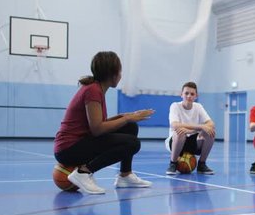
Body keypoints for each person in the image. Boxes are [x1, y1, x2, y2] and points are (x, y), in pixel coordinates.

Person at [54, 51, 154, 194]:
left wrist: (124, 117)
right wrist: (126, 118)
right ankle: (83, 172)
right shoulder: (93, 90)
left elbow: (98, 123)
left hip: (79, 142)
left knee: (129, 126)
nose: (121, 75)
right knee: (132, 143)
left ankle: (125, 176)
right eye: (120, 72)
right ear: (112, 74)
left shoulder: (95, 88)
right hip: (69, 149)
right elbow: (97, 129)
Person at [165, 81, 216, 175]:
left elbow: (211, 124)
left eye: (192, 94)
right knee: (179, 132)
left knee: (210, 132)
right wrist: (200, 126)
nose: (189, 96)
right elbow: (174, 125)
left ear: (196, 96)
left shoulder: (198, 107)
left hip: (193, 141)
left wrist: (193, 130)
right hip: (176, 141)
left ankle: (202, 164)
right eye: (186, 93)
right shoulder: (175, 106)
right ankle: (173, 163)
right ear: (181, 95)